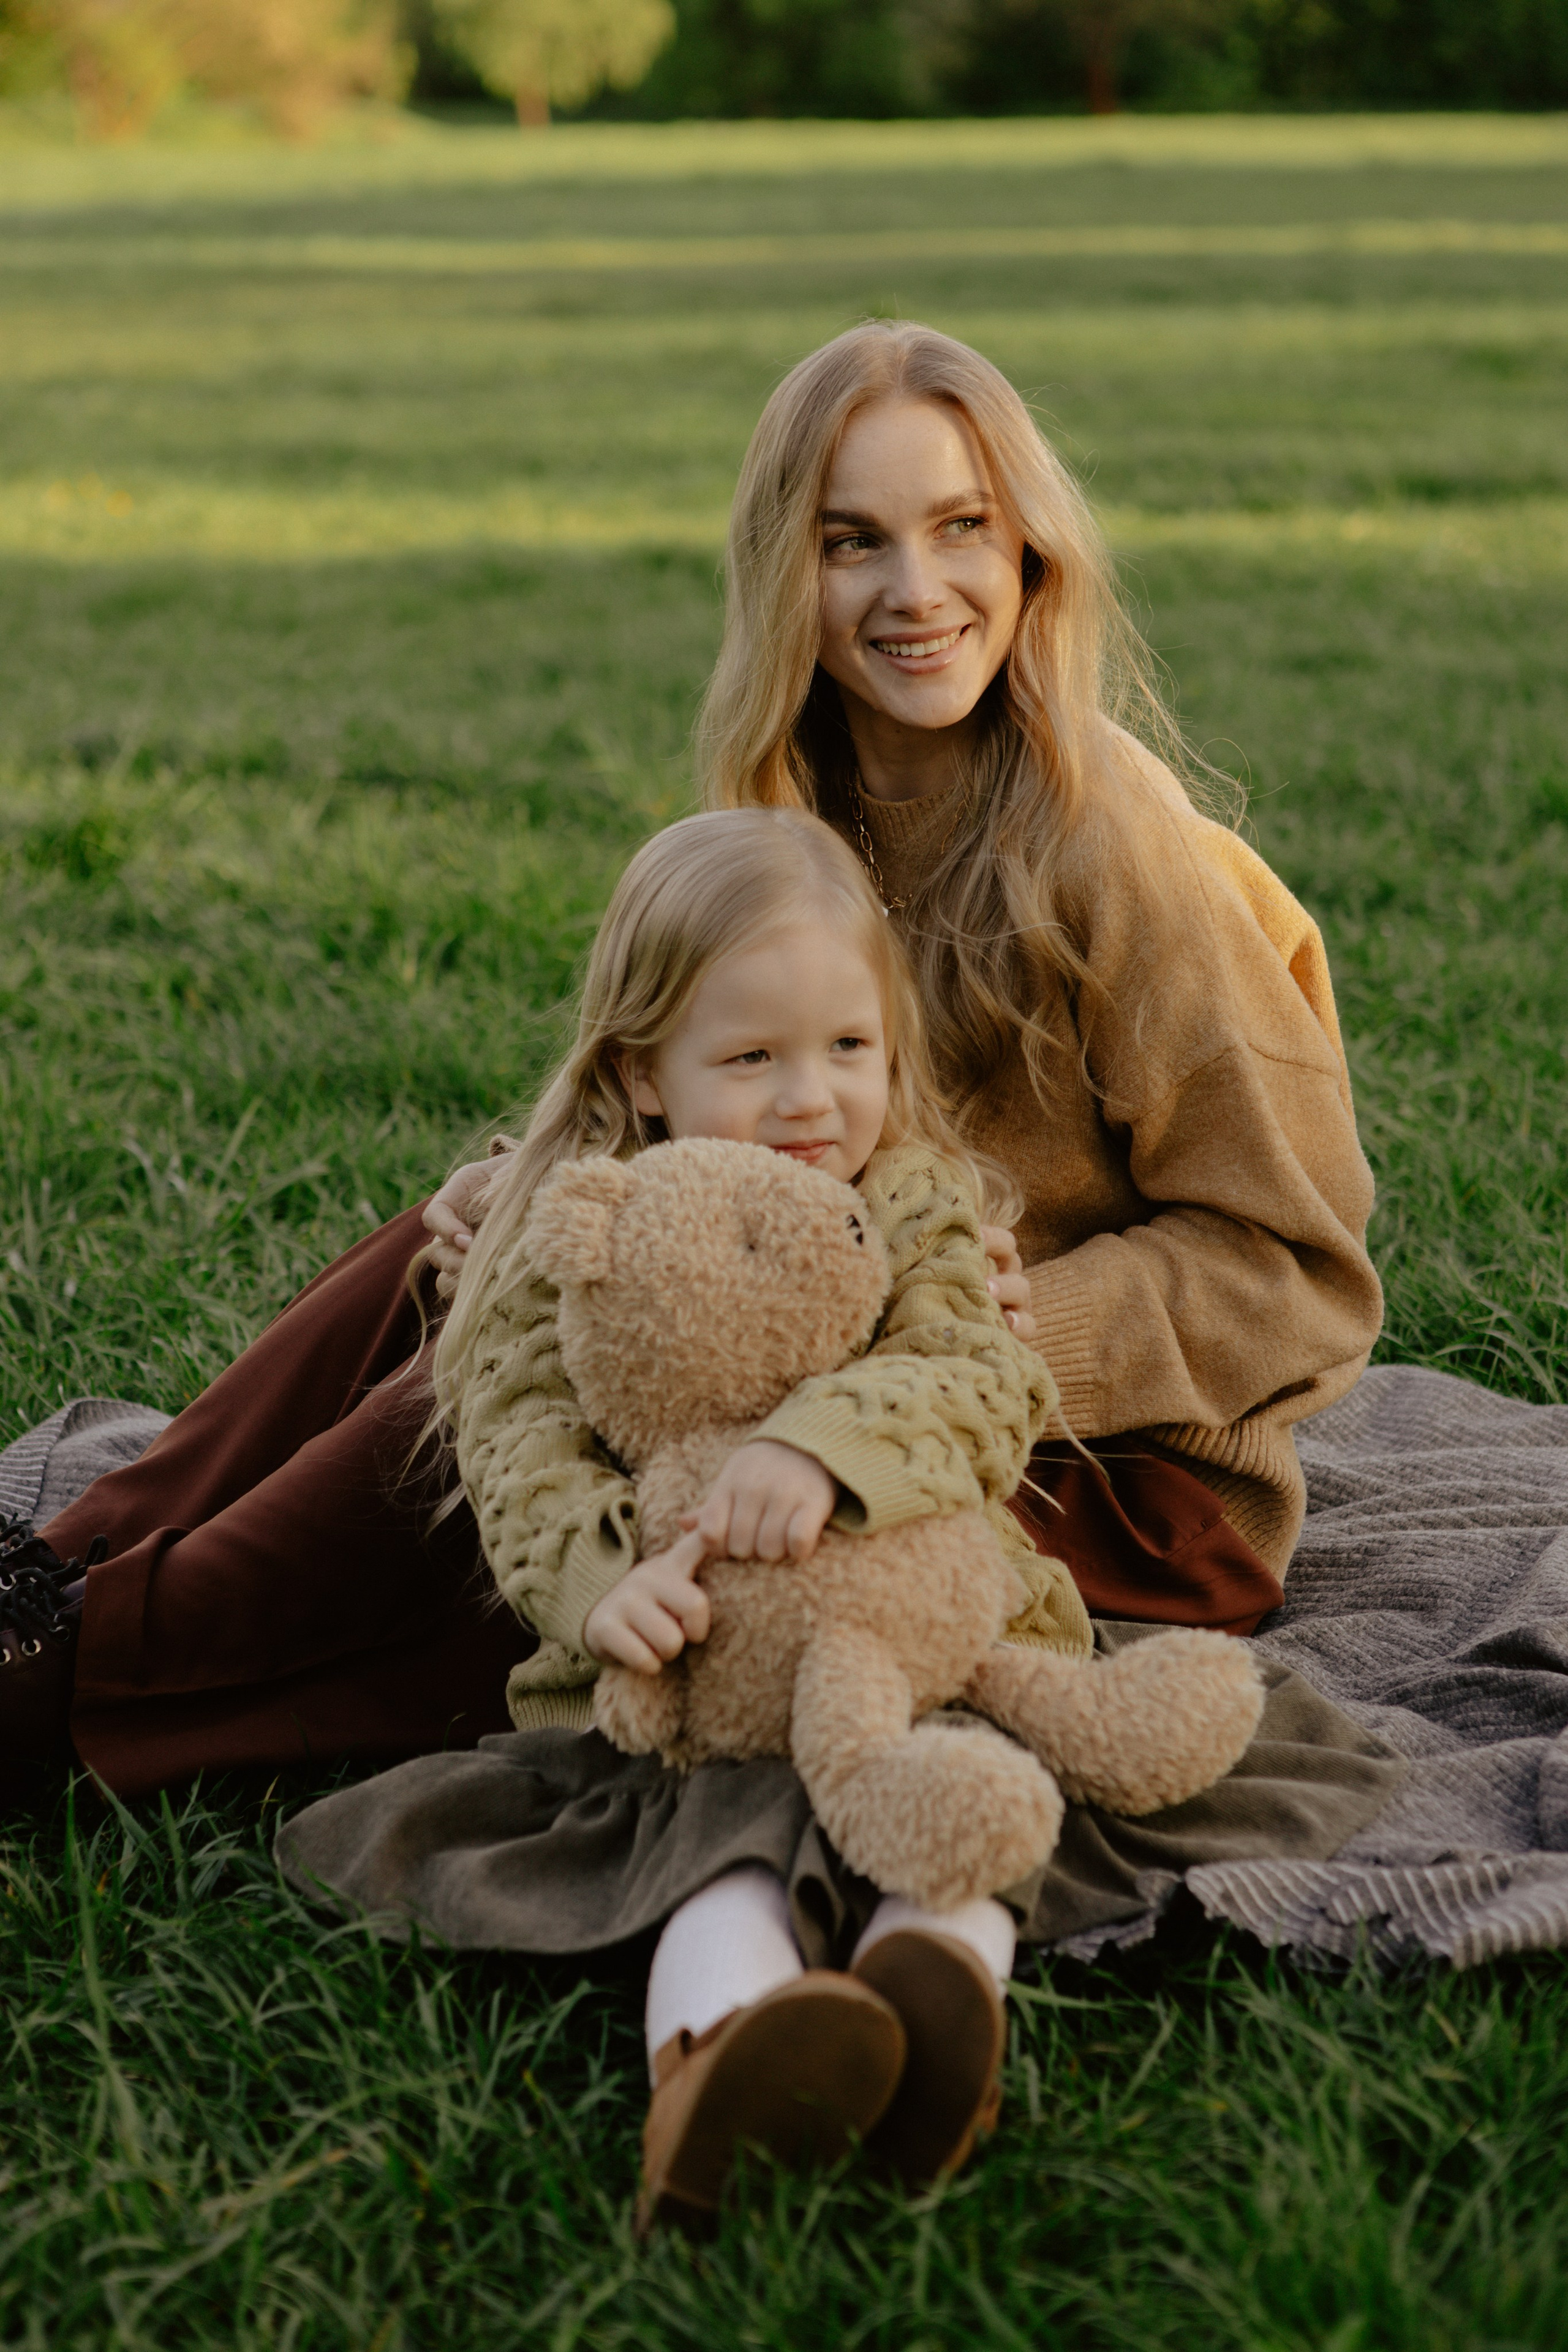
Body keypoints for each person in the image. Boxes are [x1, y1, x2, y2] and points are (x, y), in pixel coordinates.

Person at [6, 318, 1379, 1800]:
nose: (916, 592)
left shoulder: (1120, 851)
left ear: (1032, 553)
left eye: (960, 529)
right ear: (786, 573)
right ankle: (57, 1568)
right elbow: (735, 1107)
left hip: (1106, 1477)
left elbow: (1299, 1277)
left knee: (510, 1445)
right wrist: (542, 1187)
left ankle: (76, 1689)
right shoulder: (800, 799)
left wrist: (1024, 1325)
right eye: (853, 542)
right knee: (458, 1257)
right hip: (822, 1320)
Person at [413, 804, 1063, 2228]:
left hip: (916, 1636)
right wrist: (601, 1590)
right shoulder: (579, 1225)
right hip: (697, 1662)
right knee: (723, 1838)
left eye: (847, 1049)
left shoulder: (912, 1198)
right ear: (643, 1072)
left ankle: (938, 1998)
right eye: (752, 1059)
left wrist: (823, 1450)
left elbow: (976, 1376)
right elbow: (517, 1438)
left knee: (947, 1792)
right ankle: (717, 2072)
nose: (811, 1100)